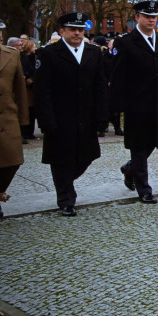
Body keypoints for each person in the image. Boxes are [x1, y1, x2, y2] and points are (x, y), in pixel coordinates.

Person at [33, 12, 108, 216]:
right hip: (60, 117)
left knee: (87, 156)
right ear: (62, 31)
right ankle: (66, 199)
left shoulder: (94, 52)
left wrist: (102, 116)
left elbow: (101, 86)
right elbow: (42, 90)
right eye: (72, 29)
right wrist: (46, 119)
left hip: (86, 116)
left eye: (80, 30)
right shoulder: (49, 53)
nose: (77, 33)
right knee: (60, 159)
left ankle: (67, 183)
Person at [109, 0, 158, 204]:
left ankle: (130, 168)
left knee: (153, 142)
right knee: (139, 145)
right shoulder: (126, 41)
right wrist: (116, 105)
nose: (150, 20)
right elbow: (118, 74)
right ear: (137, 18)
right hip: (136, 103)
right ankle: (144, 188)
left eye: (153, 17)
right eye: (146, 16)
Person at [0, 14, 29, 225]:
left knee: (13, 162)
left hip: (8, 121)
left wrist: (23, 119)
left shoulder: (12, 54)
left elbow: (20, 90)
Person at [94, 35, 122, 136]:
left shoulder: (119, 55)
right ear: (108, 45)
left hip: (116, 85)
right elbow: (101, 70)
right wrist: (106, 81)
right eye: (111, 43)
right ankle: (102, 127)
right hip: (106, 85)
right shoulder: (103, 56)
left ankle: (117, 128)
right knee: (104, 106)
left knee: (116, 109)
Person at [20, 37, 38, 142]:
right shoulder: (24, 58)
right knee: (27, 109)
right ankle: (25, 132)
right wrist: (27, 77)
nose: (35, 48)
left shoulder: (33, 57)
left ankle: (28, 132)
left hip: (31, 86)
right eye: (33, 46)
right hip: (27, 87)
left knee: (31, 111)